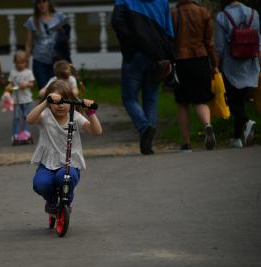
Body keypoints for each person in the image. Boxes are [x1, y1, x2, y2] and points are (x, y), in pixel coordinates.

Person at [27, 80, 102, 215]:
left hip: (70, 163)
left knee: (65, 178)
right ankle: (51, 201)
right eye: (57, 102)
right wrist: (45, 102)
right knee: (41, 183)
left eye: (65, 101)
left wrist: (91, 114)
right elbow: (30, 120)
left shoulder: (75, 116)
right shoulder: (45, 116)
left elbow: (97, 132)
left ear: (72, 101)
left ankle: (66, 201)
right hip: (47, 163)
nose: (61, 105)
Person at [111, 0, 175, 155]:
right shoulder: (163, 2)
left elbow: (116, 21)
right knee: (151, 98)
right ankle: (147, 144)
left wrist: (130, 44)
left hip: (135, 56)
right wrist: (167, 57)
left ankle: (145, 127)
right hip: (157, 57)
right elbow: (170, 33)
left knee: (129, 98)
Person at [171, 0, 219, 152]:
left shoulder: (173, 13)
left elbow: (168, 39)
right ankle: (207, 125)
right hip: (201, 59)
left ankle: (186, 145)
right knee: (201, 100)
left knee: (183, 103)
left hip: (181, 61)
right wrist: (215, 64)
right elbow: (209, 42)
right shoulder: (203, 12)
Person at [215, 0, 260, 148]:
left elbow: (220, 47)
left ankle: (247, 121)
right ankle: (237, 138)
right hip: (251, 64)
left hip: (231, 65)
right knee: (241, 101)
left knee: (233, 101)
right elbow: (259, 41)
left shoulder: (222, 16)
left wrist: (217, 64)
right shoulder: (254, 14)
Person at [25, 0, 68, 90]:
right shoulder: (32, 20)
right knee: (44, 89)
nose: (42, 5)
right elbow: (29, 43)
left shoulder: (59, 16)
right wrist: (26, 61)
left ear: (48, 2)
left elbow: (66, 34)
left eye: (44, 1)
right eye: (39, 2)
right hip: (39, 59)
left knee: (57, 88)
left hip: (56, 58)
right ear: (36, 5)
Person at [3, 50, 36, 142]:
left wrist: (26, 84)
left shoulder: (28, 72)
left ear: (26, 63)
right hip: (16, 100)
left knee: (26, 116)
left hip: (26, 99)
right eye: (18, 63)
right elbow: (11, 83)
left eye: (22, 63)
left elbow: (32, 84)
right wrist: (8, 87)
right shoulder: (13, 72)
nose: (20, 65)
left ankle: (25, 132)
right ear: (15, 63)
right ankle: (16, 134)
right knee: (16, 117)